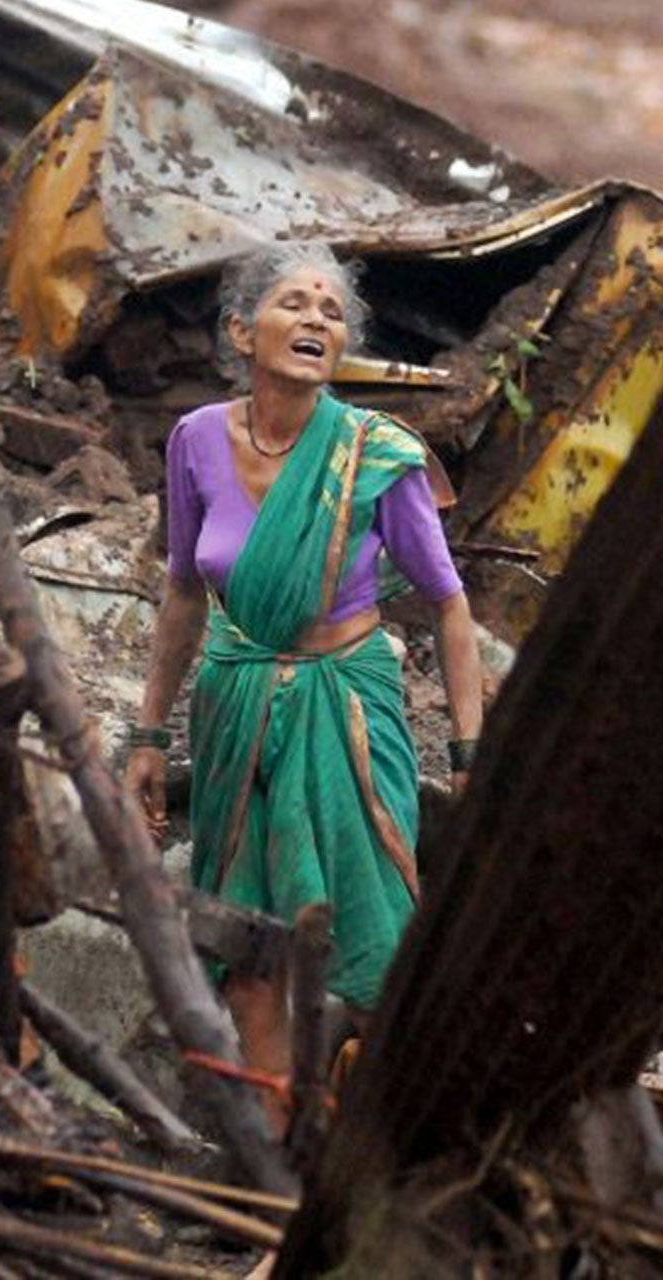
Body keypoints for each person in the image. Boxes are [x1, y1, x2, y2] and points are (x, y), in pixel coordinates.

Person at [122, 245, 484, 1125]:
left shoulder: (375, 456)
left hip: (346, 708)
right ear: (243, 331)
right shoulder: (197, 440)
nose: (318, 320)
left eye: (332, 310)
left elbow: (449, 606)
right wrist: (148, 735)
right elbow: (181, 592)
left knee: (374, 931)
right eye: (295, 304)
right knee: (248, 947)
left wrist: (469, 752)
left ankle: (391, 1150)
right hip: (235, 705)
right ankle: (275, 1169)